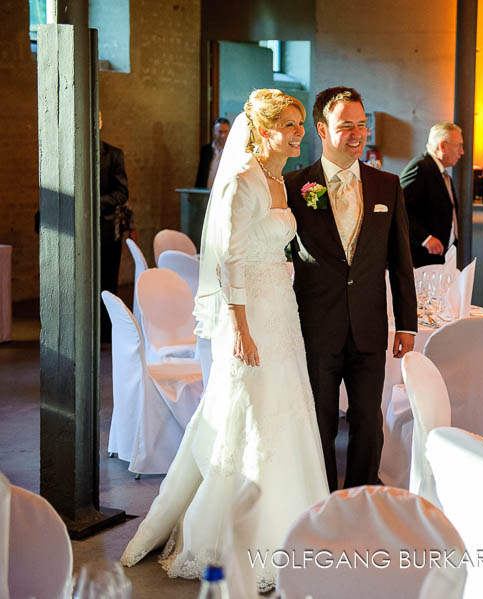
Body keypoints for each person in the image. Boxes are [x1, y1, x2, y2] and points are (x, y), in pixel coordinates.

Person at [120, 90, 328, 591]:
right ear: (263, 130)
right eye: (291, 125)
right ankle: (233, 538)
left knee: (288, 409)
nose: (299, 133)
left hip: (281, 310)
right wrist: (239, 328)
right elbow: (228, 258)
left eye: (301, 125)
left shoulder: (279, 178)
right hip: (251, 313)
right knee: (248, 416)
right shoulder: (240, 182)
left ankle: (297, 530)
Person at [286, 87, 417, 492]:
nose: (358, 133)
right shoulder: (293, 186)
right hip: (315, 326)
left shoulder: (386, 185)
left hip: (368, 325)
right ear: (322, 130)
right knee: (319, 422)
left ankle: (361, 502)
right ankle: (323, 501)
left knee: (367, 422)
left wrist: (407, 325)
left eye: (362, 125)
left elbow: (401, 261)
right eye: (347, 126)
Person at [399, 122, 464, 267]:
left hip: (440, 257)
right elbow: (399, 209)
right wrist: (426, 239)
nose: (462, 152)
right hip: (421, 258)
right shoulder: (420, 168)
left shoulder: (442, 173)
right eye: (458, 146)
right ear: (442, 146)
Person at [98, 111, 131, 341]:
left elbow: (122, 192)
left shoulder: (113, 154)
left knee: (107, 281)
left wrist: (94, 202)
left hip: (107, 227)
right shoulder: (73, 152)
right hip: (79, 229)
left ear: (100, 122)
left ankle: (106, 331)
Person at [194, 117, 230, 189]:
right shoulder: (206, 150)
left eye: (226, 132)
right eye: (220, 132)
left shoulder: (233, 151)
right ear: (214, 132)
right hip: (206, 193)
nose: (223, 135)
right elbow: (201, 174)